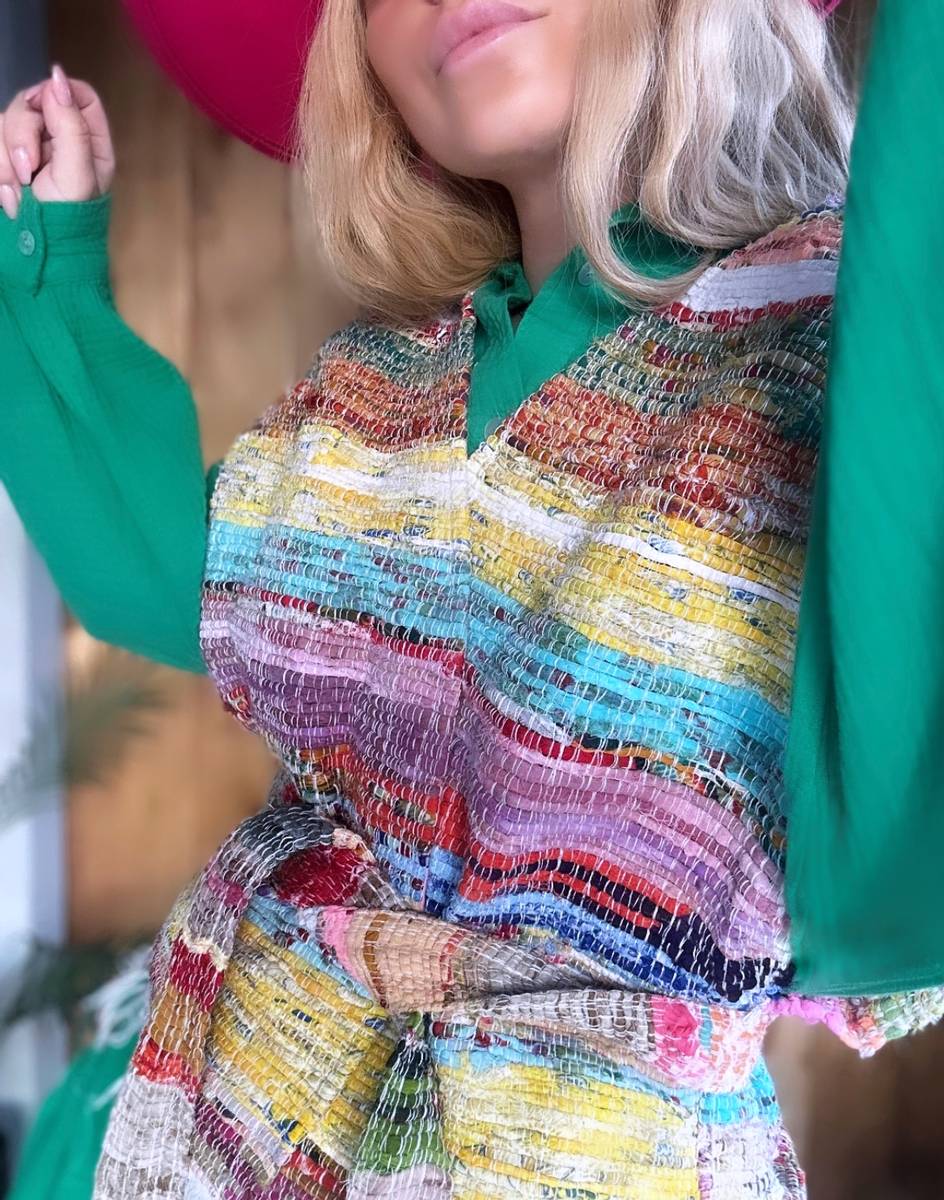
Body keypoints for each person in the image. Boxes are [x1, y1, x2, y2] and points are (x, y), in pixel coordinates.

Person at [1, 1, 942, 1196]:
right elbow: (172, 578)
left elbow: (896, 859)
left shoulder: (830, 350)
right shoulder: (372, 397)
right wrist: (47, 264)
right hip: (221, 1126)